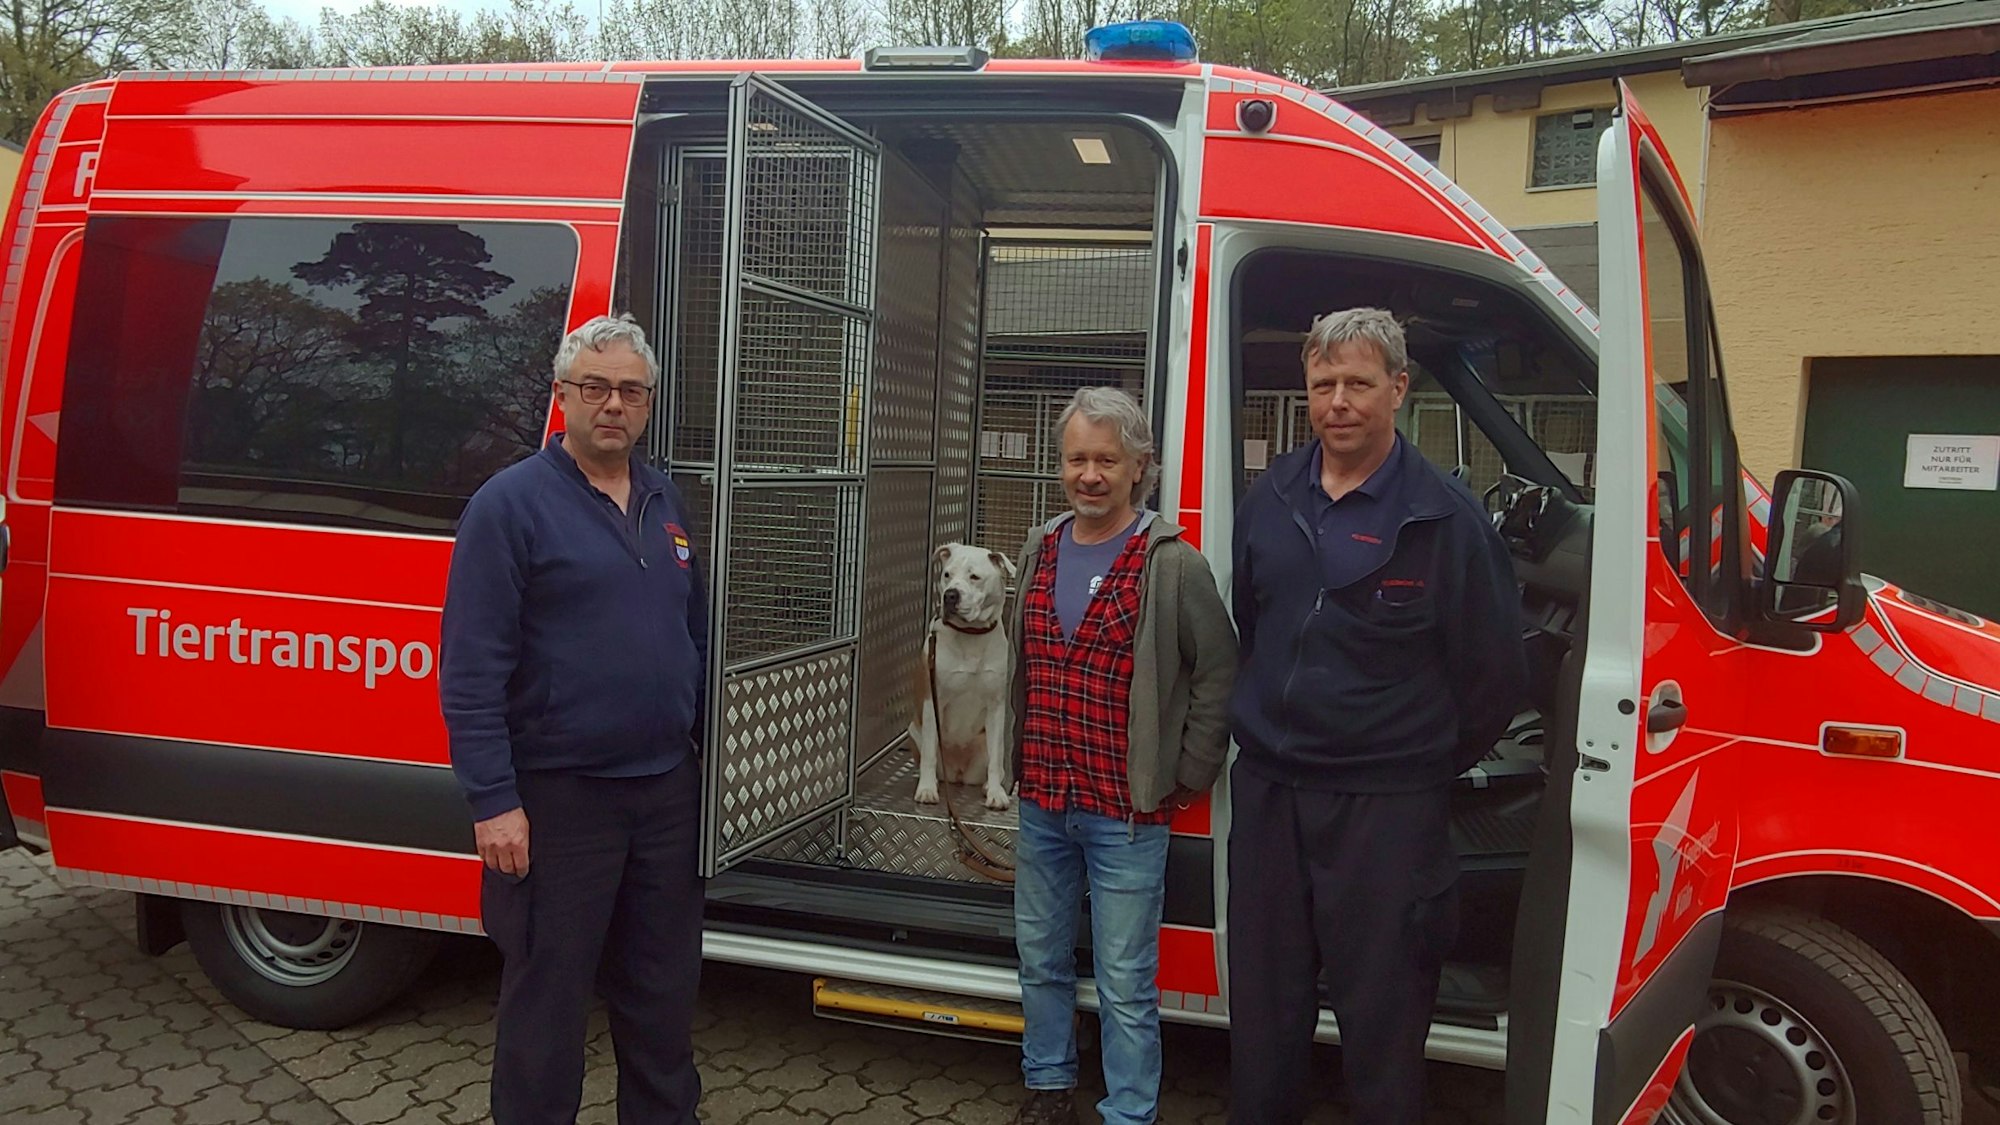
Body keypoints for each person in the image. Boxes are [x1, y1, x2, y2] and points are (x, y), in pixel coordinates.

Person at [1226, 309, 1525, 1124]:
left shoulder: (1445, 519)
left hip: (1386, 812)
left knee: (1383, 1024)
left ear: (1398, 387)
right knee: (1263, 1017)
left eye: (1359, 383)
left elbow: (1493, 675)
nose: (1339, 402)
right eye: (1324, 384)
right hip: (1271, 798)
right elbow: (1253, 628)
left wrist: (1405, 755)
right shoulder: (1270, 495)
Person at [440, 313, 709, 1125]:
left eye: (631, 390)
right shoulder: (509, 506)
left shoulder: (665, 497)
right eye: (595, 387)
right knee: (547, 1007)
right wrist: (493, 798)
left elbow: (689, 627)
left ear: (649, 402)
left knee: (662, 1003)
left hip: (663, 794)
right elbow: (471, 667)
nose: (613, 405)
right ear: (562, 396)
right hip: (561, 802)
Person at [1006, 386, 1239, 1125]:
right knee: (1040, 960)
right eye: (1077, 458)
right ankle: (1048, 1087)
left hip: (1126, 814)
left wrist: (1190, 771)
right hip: (1044, 799)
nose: (1090, 474)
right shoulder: (1041, 546)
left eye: (1108, 459)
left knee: (1125, 981)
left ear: (1140, 466)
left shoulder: (1171, 562)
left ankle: (1128, 1111)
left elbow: (1219, 671)